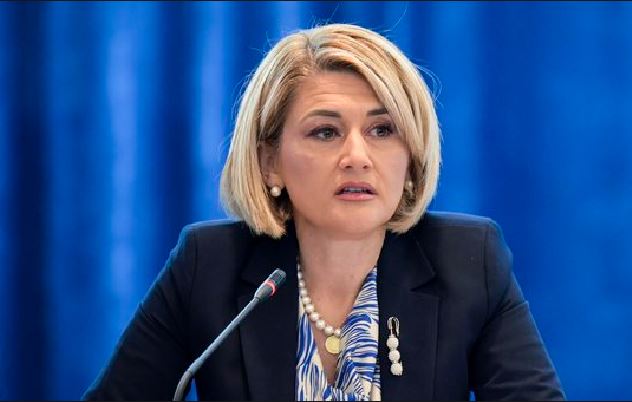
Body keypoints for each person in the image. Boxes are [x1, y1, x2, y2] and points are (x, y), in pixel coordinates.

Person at [83, 23, 564, 401]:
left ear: (412, 156)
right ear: (270, 161)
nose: (357, 156)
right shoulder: (207, 267)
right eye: (325, 132)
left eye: (382, 130)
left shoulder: (470, 262)